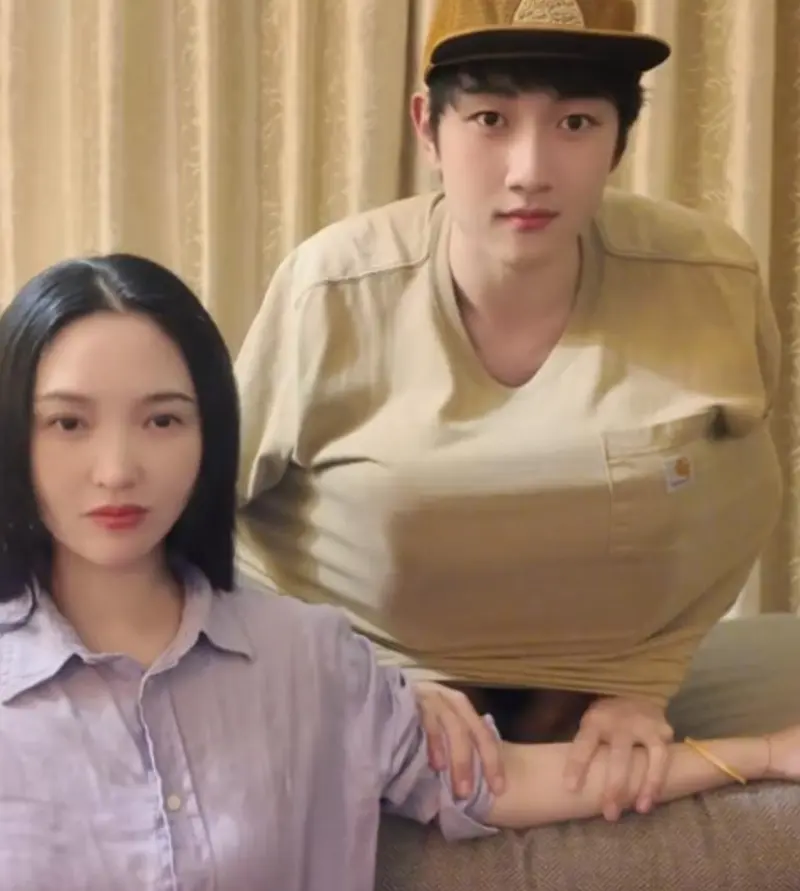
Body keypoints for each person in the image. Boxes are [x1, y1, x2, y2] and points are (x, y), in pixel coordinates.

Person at [1, 254, 799, 890]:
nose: (117, 468)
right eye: (67, 422)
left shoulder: (310, 657)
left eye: (162, 419)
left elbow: (501, 781)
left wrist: (764, 754)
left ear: (210, 436)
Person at [234, 0, 784, 822]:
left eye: (575, 122)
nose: (530, 170)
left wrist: (643, 678)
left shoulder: (708, 277)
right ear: (428, 128)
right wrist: (351, 673)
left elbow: (739, 496)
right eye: (491, 118)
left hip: (603, 682)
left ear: (619, 140)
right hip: (377, 668)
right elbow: (203, 513)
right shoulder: (334, 290)